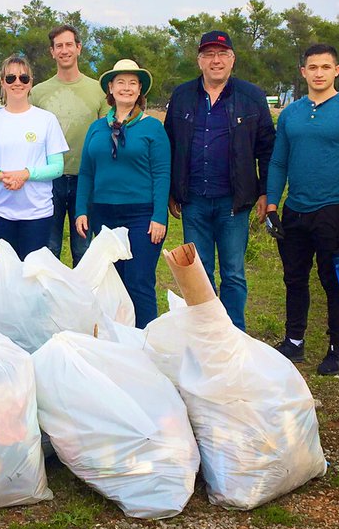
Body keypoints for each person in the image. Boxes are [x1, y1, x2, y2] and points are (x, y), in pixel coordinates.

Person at [266, 44, 339, 376]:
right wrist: (272, 206)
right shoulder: (290, 114)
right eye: (312, 67)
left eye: (325, 67)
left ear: (336, 70)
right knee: (294, 278)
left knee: (335, 280)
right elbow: (279, 161)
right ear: (303, 72)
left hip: (334, 211)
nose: (319, 73)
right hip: (294, 210)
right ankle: (294, 341)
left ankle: (337, 347)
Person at [163, 30, 275, 331]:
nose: (216, 60)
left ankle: (235, 333)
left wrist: (266, 192)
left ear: (232, 59)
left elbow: (267, 148)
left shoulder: (251, 96)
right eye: (209, 55)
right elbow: (170, 144)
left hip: (234, 201)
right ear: (199, 61)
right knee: (198, 272)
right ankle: (206, 333)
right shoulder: (183, 96)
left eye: (222, 54)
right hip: (194, 201)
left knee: (234, 272)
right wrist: (173, 191)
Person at [75, 59, 171, 327]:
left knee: (138, 281)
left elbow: (163, 174)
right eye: (120, 82)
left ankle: (146, 341)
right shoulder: (97, 128)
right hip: (103, 213)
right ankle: (117, 340)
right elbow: (86, 172)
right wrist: (82, 210)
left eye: (132, 83)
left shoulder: (152, 128)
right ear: (110, 88)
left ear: (140, 89)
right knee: (111, 283)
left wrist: (159, 216)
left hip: (141, 214)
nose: (126, 88)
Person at [0, 54, 68, 260]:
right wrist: (1, 176)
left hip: (37, 213)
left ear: (31, 83)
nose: (17, 83)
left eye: (24, 78)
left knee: (33, 274)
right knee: (8, 273)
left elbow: (57, 167)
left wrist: (26, 174)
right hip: (0, 211)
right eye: (10, 78)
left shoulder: (46, 120)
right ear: (2, 82)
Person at [30, 24, 109, 266]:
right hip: (49, 181)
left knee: (83, 251)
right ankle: (50, 302)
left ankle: (84, 303)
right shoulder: (38, 92)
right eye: (59, 46)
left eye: (69, 45)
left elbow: (107, 136)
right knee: (49, 249)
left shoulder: (99, 90)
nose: (64, 50)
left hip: (87, 180)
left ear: (79, 48)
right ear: (52, 52)